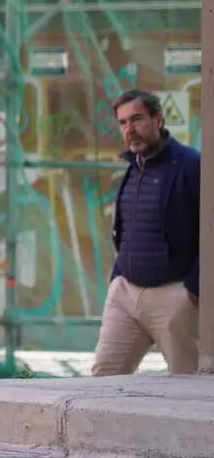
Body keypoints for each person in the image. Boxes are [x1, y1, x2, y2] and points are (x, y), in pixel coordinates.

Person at [91, 89, 200, 376]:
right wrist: (117, 277)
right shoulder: (132, 167)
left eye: (137, 119)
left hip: (175, 297)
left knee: (189, 388)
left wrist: (193, 291)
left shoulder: (191, 165)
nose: (130, 129)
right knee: (102, 382)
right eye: (123, 123)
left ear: (158, 119)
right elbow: (127, 230)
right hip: (126, 295)